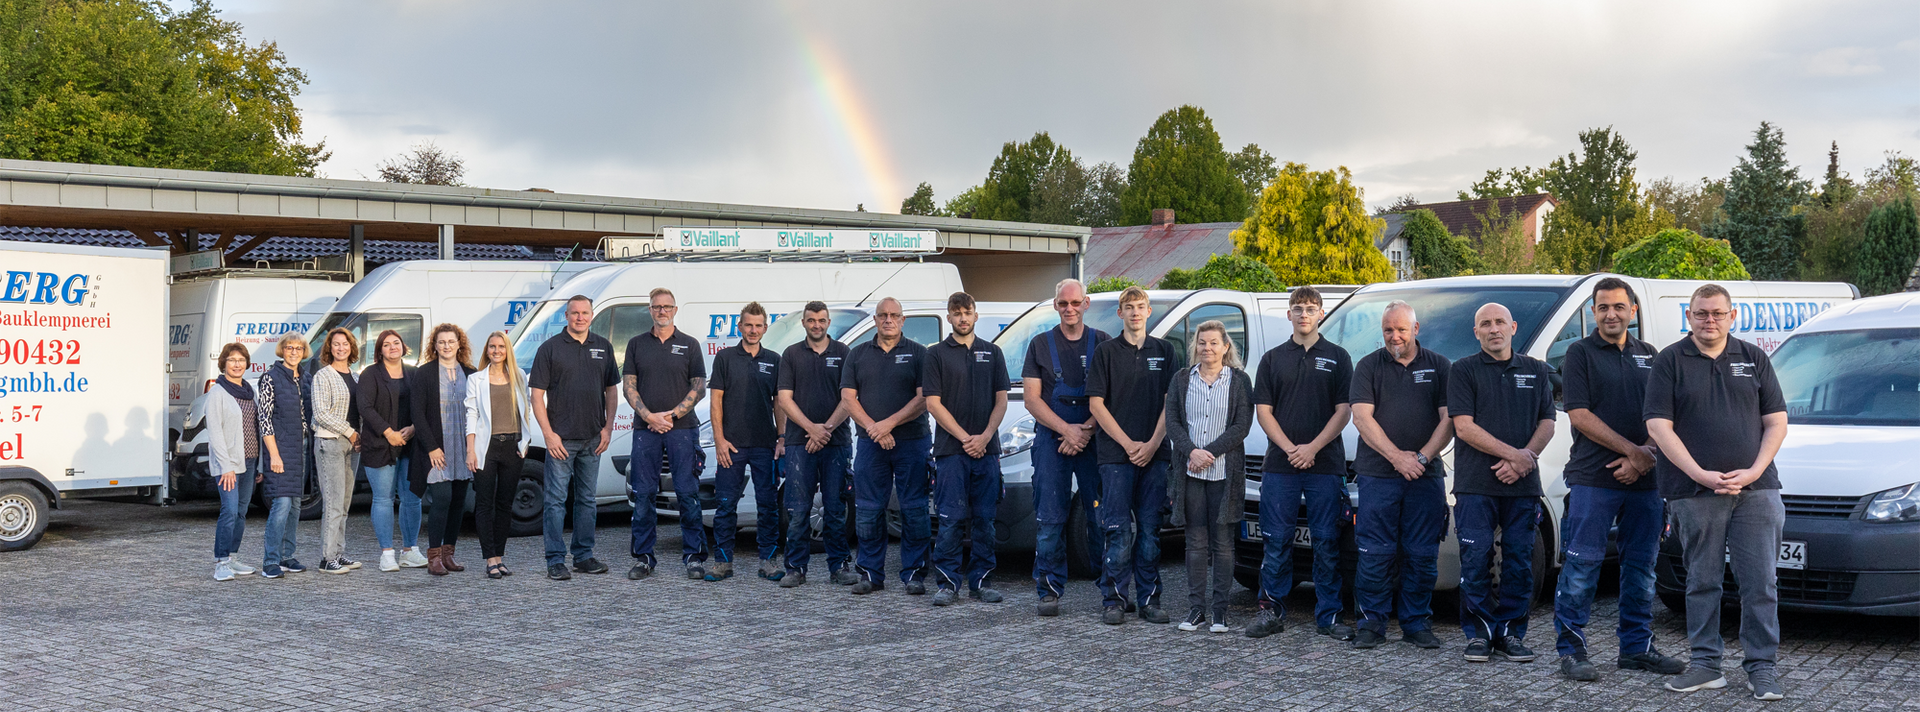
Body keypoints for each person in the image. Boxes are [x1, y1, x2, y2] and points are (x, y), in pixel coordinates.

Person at [1646, 283, 1790, 701]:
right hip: (1693, 491)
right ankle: (1706, 665)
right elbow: (1658, 426)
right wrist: (1700, 474)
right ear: (1688, 317)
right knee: (1702, 582)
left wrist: (1753, 471)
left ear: (1732, 316)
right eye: (1701, 313)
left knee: (1760, 582)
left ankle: (1762, 668)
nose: (1710, 320)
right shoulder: (1670, 361)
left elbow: (1776, 421)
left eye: (1717, 313)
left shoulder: (1753, 358)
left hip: (1757, 490)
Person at [1553, 279, 1687, 681]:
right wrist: (1634, 452)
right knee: (1582, 566)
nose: (1611, 314)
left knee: (1642, 567)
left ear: (1633, 311)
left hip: (1647, 483)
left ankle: (1636, 647)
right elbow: (1579, 414)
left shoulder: (1651, 356)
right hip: (1594, 478)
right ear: (1592, 313)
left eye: (1618, 306)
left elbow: (1666, 413)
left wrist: (1645, 458)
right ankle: (1572, 650)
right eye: (1603, 307)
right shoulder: (1579, 353)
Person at [1449, 303, 1556, 664]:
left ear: (1512, 327)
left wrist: (1525, 460)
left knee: (1519, 562)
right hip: (1476, 484)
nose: (1493, 329)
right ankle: (1479, 634)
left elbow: (1548, 422)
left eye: (1499, 323)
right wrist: (1517, 455)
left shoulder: (1536, 370)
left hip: (1522, 486)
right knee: (1476, 559)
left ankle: (1511, 633)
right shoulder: (1462, 371)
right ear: (1476, 332)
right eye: (1485, 324)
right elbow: (1463, 426)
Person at [1246, 286, 1354, 640]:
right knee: (1276, 541)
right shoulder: (1273, 359)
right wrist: (1292, 448)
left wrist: (1313, 448)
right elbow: (1264, 411)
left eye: (1310, 308)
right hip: (1281, 466)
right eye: (1298, 308)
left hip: (1325, 467)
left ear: (1321, 313)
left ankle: (1329, 617)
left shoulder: (1338, 357)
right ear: (1289, 314)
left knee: (1325, 542)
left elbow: (1344, 411)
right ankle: (1271, 612)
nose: (1304, 313)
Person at [1348, 301, 1451, 651]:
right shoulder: (1368, 366)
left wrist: (1421, 457)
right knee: (1375, 553)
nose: (1394, 336)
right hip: (1378, 475)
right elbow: (1362, 418)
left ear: (1416, 329)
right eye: (1388, 330)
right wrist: (1397, 458)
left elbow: (1449, 419)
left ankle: (1416, 623)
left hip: (1426, 475)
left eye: (1401, 330)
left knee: (1421, 553)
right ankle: (1371, 625)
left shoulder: (1439, 366)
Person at [1087, 286, 1182, 625]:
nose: (1135, 313)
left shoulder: (1166, 351)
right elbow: (1096, 404)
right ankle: (1113, 600)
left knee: (1150, 531)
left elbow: (1172, 401)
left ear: (1149, 311)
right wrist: (1128, 444)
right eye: (1129, 307)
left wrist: (1154, 442)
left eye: (1140, 307)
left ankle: (1149, 600)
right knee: (1116, 530)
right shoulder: (1106, 352)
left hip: (1155, 456)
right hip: (1115, 456)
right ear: (1120, 313)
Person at [1022, 278, 1109, 617]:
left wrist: (1085, 431)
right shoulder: (1039, 345)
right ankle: (1048, 591)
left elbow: (1110, 397)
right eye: (1063, 304)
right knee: (1049, 518)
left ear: (1086, 304)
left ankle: (1111, 589)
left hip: (1093, 437)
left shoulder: (1102, 343)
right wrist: (1066, 431)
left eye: (1075, 303)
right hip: (1051, 439)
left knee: (1102, 516)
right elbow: (1031, 399)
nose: (1069, 309)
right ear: (1055, 306)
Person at [1163, 320, 1253, 633]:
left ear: (1226, 347)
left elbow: (1241, 427)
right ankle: (1196, 611)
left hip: (1223, 474)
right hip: (1190, 473)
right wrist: (1192, 452)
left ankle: (1220, 613)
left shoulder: (1239, 381)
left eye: (1214, 343)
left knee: (1223, 544)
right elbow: (1172, 422)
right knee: (1195, 543)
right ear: (1195, 347)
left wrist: (1209, 453)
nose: (1208, 348)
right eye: (1202, 343)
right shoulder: (1181, 379)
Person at [922, 291, 1010, 606]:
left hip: (987, 451)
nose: (962, 318)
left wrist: (985, 436)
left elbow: (1002, 399)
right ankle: (947, 584)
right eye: (956, 312)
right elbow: (933, 403)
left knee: (985, 520)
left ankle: (982, 582)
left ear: (976, 315)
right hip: (950, 452)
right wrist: (964, 438)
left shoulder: (993, 352)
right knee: (950, 519)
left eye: (967, 312)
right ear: (949, 316)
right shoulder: (935, 355)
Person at [842, 297, 932, 595]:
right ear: (875, 320)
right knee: (868, 510)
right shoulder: (856, 355)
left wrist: (888, 424)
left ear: (903, 320)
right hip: (870, 444)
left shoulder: (920, 354)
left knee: (914, 509)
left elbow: (923, 399)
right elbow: (848, 399)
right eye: (882, 315)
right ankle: (870, 573)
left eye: (894, 315)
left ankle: (914, 574)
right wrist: (874, 429)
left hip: (912, 442)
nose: (888, 320)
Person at [529, 295, 620, 581]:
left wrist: (608, 427)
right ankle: (555, 560)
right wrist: (548, 435)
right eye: (574, 313)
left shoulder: (603, 347)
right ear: (566, 315)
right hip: (561, 441)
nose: (580, 318)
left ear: (592, 315)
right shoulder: (550, 349)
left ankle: (583, 556)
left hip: (593, 438)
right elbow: (536, 395)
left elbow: (612, 391)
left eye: (585, 313)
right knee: (555, 501)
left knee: (587, 500)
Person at [622, 287, 709, 580]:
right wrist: (648, 416)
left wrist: (670, 416)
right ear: (650, 310)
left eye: (667, 307)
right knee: (644, 494)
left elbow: (698, 387)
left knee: (687, 493)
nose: (662, 311)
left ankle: (694, 557)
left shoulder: (690, 344)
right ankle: (644, 558)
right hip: (645, 430)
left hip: (682, 430)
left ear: (674, 310)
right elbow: (628, 386)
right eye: (656, 307)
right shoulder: (636, 345)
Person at [776, 302, 856, 588]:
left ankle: (839, 566)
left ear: (828, 321)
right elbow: (784, 399)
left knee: (835, 508)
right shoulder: (792, 354)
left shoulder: (844, 353)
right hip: (800, 443)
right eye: (811, 320)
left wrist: (826, 430)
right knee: (798, 509)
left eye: (822, 320)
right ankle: (795, 568)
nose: (817, 325)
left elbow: (849, 398)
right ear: (804, 323)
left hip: (836, 443)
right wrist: (811, 430)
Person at [708, 302, 785, 582]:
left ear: (765, 328)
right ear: (739, 327)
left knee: (767, 505)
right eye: (748, 325)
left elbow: (780, 403)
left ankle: (768, 561)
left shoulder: (774, 360)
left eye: (758, 325)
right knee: (726, 505)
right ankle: (722, 563)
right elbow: (716, 401)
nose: (753, 330)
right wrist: (719, 440)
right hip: (732, 445)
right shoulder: (725, 358)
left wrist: (781, 438)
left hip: (765, 445)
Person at [466, 331, 538, 579]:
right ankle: (490, 559)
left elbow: (525, 410)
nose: (496, 351)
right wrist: (470, 450)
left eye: (501, 347)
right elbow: (472, 415)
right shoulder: (476, 379)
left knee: (505, 504)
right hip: (486, 448)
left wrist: (525, 441)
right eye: (492, 347)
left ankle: (501, 557)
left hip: (513, 447)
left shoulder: (519, 376)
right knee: (485, 504)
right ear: (486, 351)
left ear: (508, 350)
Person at [411, 324, 477, 576]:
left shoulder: (472, 373)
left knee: (459, 501)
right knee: (442, 499)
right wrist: (432, 447)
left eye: (451, 341)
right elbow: (417, 413)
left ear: (459, 344)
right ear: (434, 345)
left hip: (463, 446)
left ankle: (449, 554)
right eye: (441, 342)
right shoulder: (425, 373)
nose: (446, 346)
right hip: (437, 448)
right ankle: (434, 557)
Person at [358, 329, 426, 572]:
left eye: (396, 343)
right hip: (379, 445)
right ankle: (387, 553)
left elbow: (423, 405)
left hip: (410, 444)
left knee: (412, 499)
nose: (392, 347)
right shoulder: (370, 374)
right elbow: (365, 407)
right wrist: (389, 433)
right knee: (383, 499)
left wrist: (414, 428)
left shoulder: (413, 372)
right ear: (380, 350)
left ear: (403, 346)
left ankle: (410, 551)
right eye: (386, 345)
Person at [256, 333, 311, 578]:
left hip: (302, 449)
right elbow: (264, 419)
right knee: (282, 504)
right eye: (289, 347)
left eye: (299, 348)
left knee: (296, 504)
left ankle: (288, 556)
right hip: (279, 449)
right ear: (282, 350)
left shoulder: (306, 378)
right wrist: (274, 455)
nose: (294, 352)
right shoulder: (270, 378)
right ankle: (271, 561)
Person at [310, 327, 364, 574]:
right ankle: (327, 558)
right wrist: (350, 431)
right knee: (332, 503)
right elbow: (320, 414)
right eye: (336, 344)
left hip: (352, 445)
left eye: (345, 344)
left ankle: (338, 554)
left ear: (352, 347)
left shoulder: (356, 377)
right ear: (329, 348)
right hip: (330, 442)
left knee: (344, 503)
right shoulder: (323, 376)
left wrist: (359, 435)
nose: (341, 348)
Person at [207, 343, 262, 581]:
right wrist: (225, 466)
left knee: (241, 512)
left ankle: (233, 557)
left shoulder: (250, 391)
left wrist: (259, 465)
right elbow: (215, 433)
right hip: (228, 465)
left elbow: (256, 428)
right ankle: (220, 562)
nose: (237, 364)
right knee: (228, 511)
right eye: (232, 360)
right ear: (224, 364)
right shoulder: (217, 393)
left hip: (249, 461)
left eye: (241, 360)